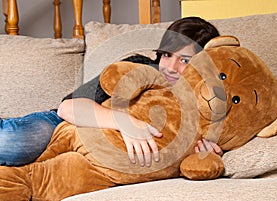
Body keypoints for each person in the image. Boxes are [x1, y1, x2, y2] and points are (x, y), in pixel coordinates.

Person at [0, 17, 222, 167]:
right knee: (13, 142)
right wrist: (124, 122)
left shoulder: (207, 99)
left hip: (92, 154)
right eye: (167, 55)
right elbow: (67, 107)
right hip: (64, 123)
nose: (170, 67)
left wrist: (204, 149)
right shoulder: (139, 67)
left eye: (184, 60)